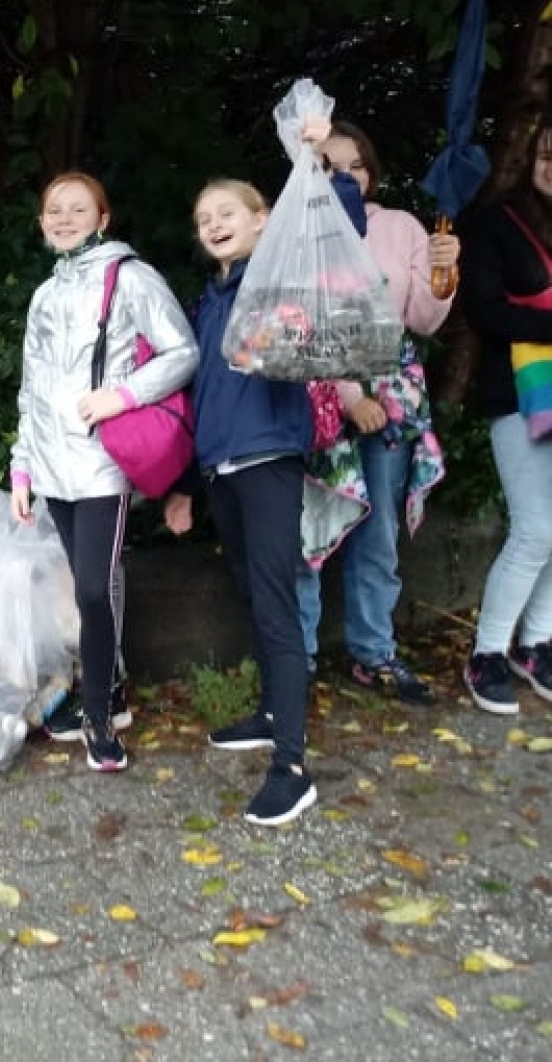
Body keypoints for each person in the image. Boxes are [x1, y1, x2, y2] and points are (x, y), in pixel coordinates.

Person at [9, 173, 197, 773]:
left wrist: (124, 394)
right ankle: (111, 692)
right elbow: (32, 392)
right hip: (54, 468)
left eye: (77, 208)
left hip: (101, 465)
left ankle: (97, 718)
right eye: (53, 210)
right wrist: (21, 468)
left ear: (103, 218)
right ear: (41, 223)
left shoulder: (132, 278)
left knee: (93, 587)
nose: (63, 218)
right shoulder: (43, 296)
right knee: (97, 581)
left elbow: (182, 351)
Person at [165, 179, 318, 827]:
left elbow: (327, 222)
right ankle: (272, 712)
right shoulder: (209, 303)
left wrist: (315, 156)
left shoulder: (277, 281)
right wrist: (184, 485)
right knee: (252, 595)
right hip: (221, 470)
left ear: (263, 220)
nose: (215, 223)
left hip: (270, 463)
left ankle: (292, 768)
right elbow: (203, 398)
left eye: (228, 212)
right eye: (204, 217)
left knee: (277, 603)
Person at [297, 123, 458, 704]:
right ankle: (300, 659)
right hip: (318, 395)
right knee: (312, 523)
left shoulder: (400, 227)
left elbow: (424, 318)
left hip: (391, 392)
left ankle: (374, 652)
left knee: (378, 531)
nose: (343, 177)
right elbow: (296, 323)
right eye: (327, 166)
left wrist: (443, 273)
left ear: (372, 172)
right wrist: (347, 395)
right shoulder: (298, 232)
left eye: (354, 166)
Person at [459, 121, 552, 714]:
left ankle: (536, 643)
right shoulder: (497, 223)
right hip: (518, 395)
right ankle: (487, 651)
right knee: (536, 529)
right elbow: (485, 312)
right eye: (547, 153)